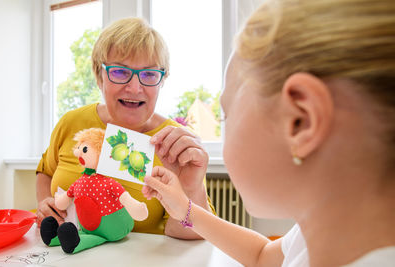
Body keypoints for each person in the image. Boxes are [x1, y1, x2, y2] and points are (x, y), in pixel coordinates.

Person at [142, 0, 395, 266]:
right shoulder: (334, 225)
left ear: (300, 121)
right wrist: (185, 208)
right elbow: (262, 256)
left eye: (226, 114)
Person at [36, 17, 214, 240]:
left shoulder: (176, 144)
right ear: (99, 75)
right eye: (120, 72)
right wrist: (44, 203)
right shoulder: (71, 122)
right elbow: (45, 171)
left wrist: (191, 188)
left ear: (162, 81)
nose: (135, 87)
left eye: (149, 74)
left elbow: (190, 233)